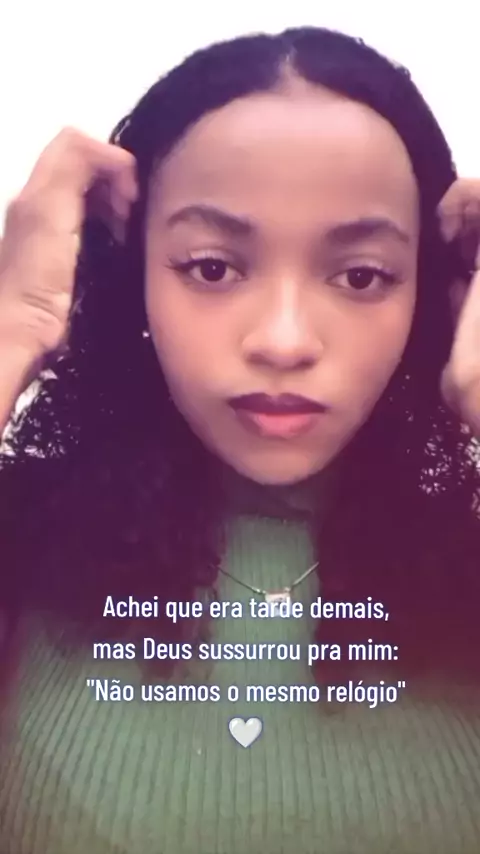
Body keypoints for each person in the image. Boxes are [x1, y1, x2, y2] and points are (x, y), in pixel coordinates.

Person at [0, 25, 479, 854]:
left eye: (361, 275)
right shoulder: (22, 538)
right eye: (214, 267)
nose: (284, 341)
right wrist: (15, 326)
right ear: (131, 274)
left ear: (432, 293)